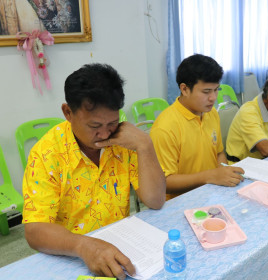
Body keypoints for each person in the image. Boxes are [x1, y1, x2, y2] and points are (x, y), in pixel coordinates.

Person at [22, 63, 166, 279]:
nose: (104, 134)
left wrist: (145, 145)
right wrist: (84, 246)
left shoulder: (124, 140)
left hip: (122, 248)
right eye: (94, 126)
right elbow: (34, 231)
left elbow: (155, 200)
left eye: (112, 123)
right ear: (68, 112)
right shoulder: (47, 154)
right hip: (71, 254)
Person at [150, 54, 244, 199]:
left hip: (212, 192)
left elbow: (219, 153)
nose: (213, 97)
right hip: (182, 202)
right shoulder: (165, 128)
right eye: (206, 91)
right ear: (185, 89)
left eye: (216, 89)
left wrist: (224, 173)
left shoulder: (211, 113)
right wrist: (210, 176)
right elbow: (164, 182)